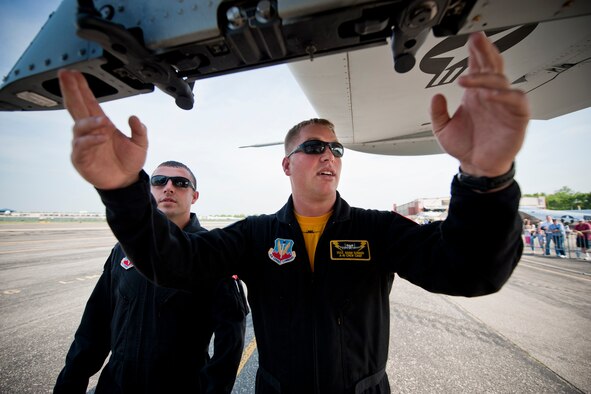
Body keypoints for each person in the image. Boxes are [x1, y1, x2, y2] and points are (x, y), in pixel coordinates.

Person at [59, 32, 529, 393]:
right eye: (313, 146)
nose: (328, 154)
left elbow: (471, 272)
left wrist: (486, 179)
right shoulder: (255, 236)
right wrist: (123, 190)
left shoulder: (377, 230)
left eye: (336, 147)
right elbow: (173, 263)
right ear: (287, 164)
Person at [54, 161, 249, 394]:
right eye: (158, 181)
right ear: (148, 191)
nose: (168, 187)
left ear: (194, 196)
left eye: (180, 183)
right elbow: (94, 325)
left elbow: (230, 339)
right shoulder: (122, 251)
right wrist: (69, 383)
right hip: (116, 385)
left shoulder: (211, 252)